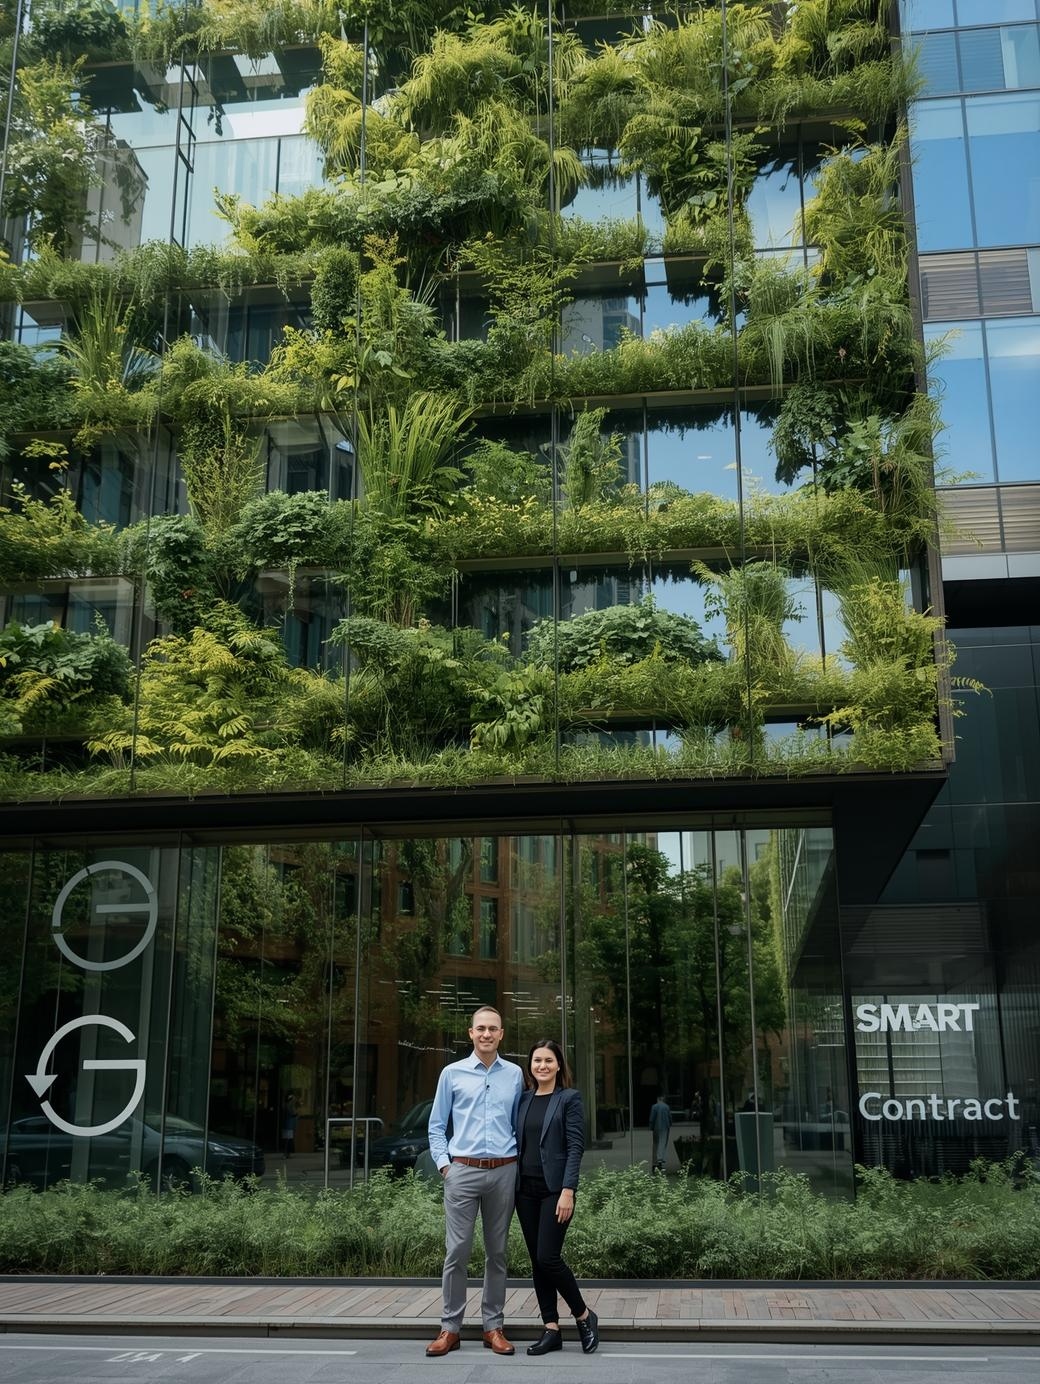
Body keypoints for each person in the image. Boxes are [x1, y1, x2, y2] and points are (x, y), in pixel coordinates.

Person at [425, 1005, 523, 1358]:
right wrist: (445, 1167)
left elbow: (518, 1124)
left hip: (503, 1171)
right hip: (462, 1172)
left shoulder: (514, 1075)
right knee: (457, 1252)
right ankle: (449, 1329)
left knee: (497, 1253)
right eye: (480, 1028)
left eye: (492, 1029)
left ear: (501, 1034)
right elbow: (436, 1126)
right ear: (470, 1033)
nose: (486, 1034)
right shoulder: (451, 1073)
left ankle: (492, 1327)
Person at [514, 1039, 599, 1356]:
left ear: (559, 1065)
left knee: (549, 1256)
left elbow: (575, 1147)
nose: (542, 1066)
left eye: (548, 1060)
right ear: (530, 1066)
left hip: (555, 1190)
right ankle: (551, 1328)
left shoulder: (569, 1099)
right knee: (538, 1261)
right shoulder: (523, 1100)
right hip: (524, 1190)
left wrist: (568, 1191)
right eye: (537, 1061)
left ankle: (583, 1315)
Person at [649, 1094, 671, 1171]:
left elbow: (652, 1118)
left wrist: (651, 1127)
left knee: (655, 1145)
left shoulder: (654, 1107)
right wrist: (669, 1125)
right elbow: (669, 1118)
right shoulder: (666, 1107)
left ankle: (654, 1164)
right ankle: (660, 1164)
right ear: (663, 1099)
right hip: (665, 1128)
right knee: (662, 1144)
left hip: (656, 1128)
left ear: (658, 1099)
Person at [280, 1092, 298, 1159]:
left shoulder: (287, 1106)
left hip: (288, 1125)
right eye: (293, 1099)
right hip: (288, 1125)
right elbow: (294, 1113)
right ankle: (286, 1153)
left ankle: (287, 1153)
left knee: (288, 1140)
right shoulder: (289, 1106)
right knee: (287, 1140)